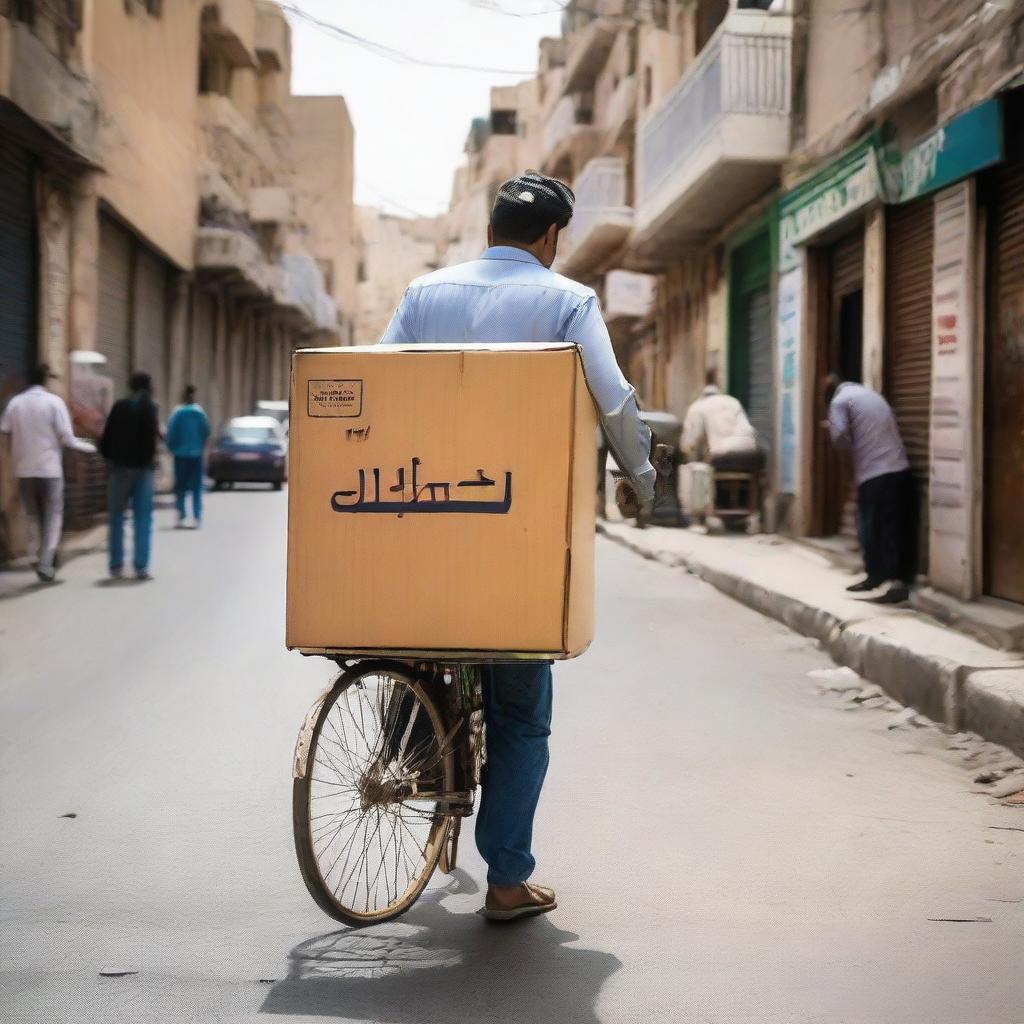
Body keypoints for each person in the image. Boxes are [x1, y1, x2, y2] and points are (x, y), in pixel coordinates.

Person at [381, 171, 655, 921]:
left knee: (414, 638)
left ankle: (413, 748)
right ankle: (506, 880)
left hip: (419, 516)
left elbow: (373, 384)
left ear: (490, 230)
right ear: (551, 238)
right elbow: (613, 399)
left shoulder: (421, 295)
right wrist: (643, 477)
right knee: (521, 712)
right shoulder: (568, 301)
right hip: (518, 536)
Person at [824, 373, 915, 604]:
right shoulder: (871, 395)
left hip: (875, 473)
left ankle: (882, 577)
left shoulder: (838, 402)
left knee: (870, 528)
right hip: (900, 469)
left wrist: (846, 465)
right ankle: (888, 579)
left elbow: (839, 437)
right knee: (894, 526)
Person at [0, 365, 96, 582]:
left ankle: (36, 553)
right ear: (45, 380)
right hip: (50, 470)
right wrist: (91, 448)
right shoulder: (54, 402)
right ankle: (45, 563)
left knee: (32, 515)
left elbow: (4, 431)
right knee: (53, 516)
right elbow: (67, 439)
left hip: (24, 470)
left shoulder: (15, 403)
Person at [99, 371, 160, 581]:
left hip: (120, 469)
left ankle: (116, 566)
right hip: (143, 470)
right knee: (142, 519)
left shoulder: (118, 407)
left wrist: (110, 459)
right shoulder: (150, 408)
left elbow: (105, 440)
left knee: (116, 517)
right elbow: (152, 442)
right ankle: (141, 567)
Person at [682, 370, 762, 471]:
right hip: (750, 451)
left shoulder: (697, 406)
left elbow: (690, 443)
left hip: (722, 454)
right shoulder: (733, 401)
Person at [165, 385, 210, 529]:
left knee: (181, 486)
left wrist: (171, 448)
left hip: (180, 454)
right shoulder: (199, 413)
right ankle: (196, 516)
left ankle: (181, 515)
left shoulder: (177, 413)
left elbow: (171, 433)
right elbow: (206, 431)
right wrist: (201, 446)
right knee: (196, 487)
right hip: (196, 454)